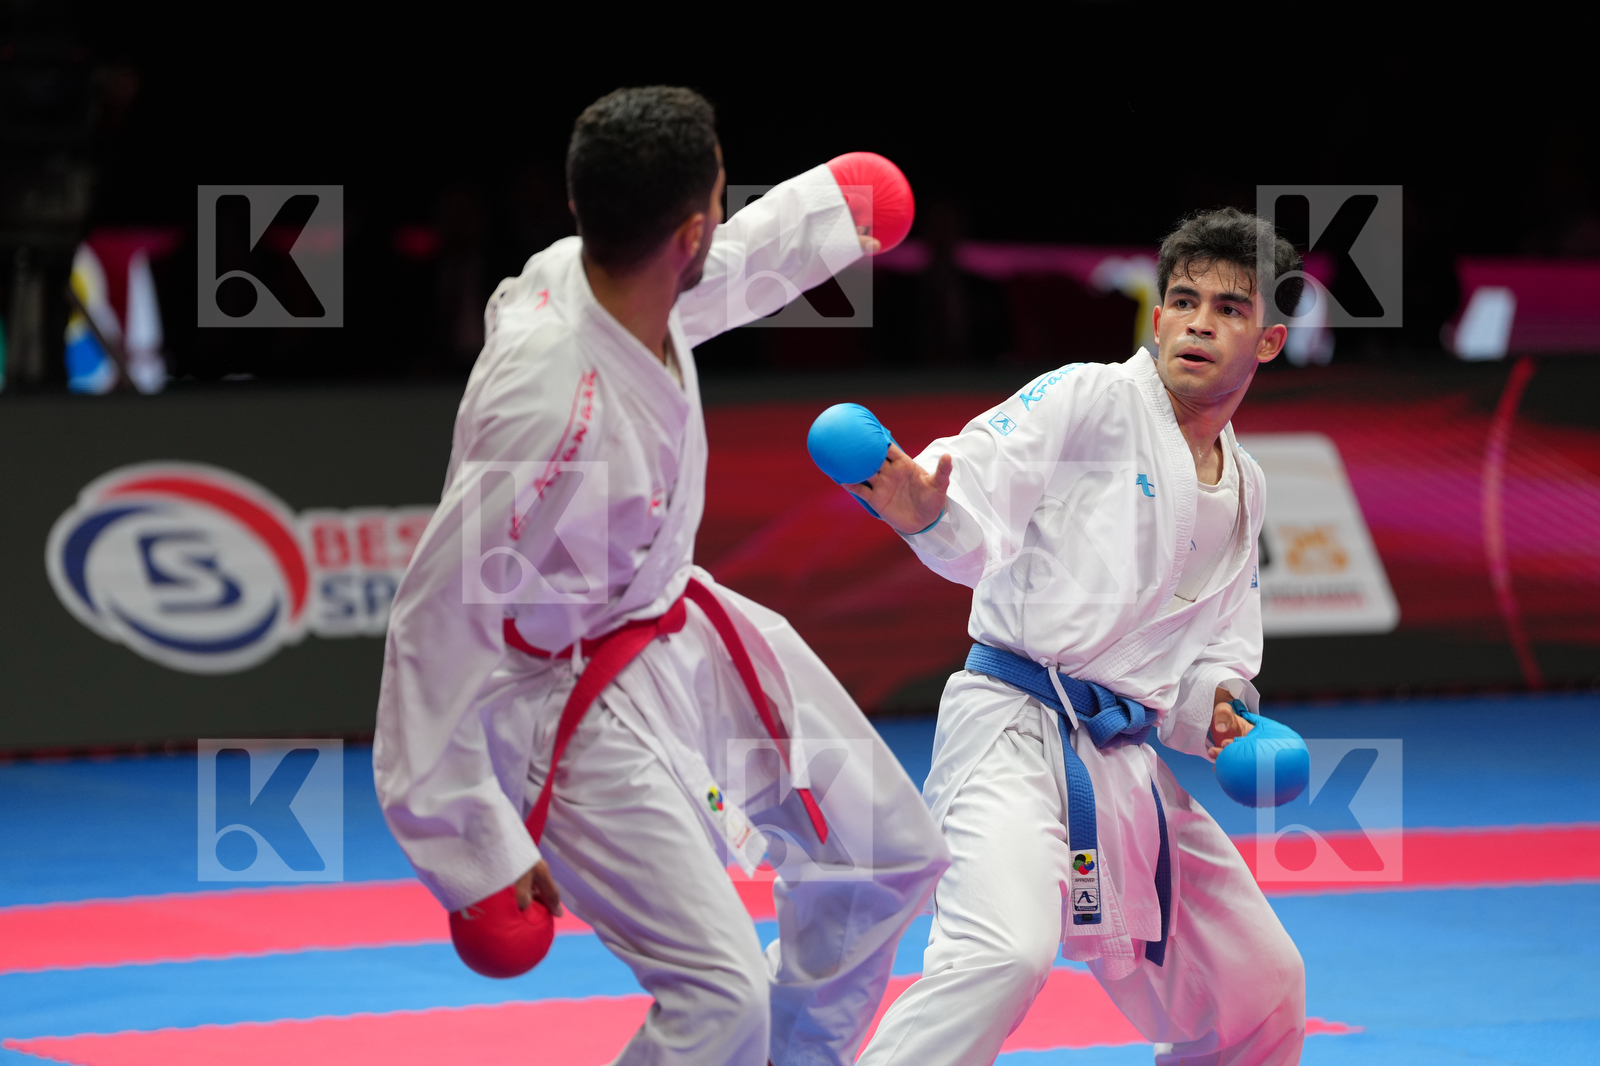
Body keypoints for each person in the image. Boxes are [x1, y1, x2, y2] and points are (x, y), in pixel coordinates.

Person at [373, 87, 949, 1066]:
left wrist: (831, 214)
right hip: (566, 698)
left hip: (673, 624)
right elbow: (436, 623)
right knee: (719, 1002)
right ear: (691, 225)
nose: (718, 225)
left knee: (889, 852)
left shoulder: (611, 277)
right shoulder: (546, 401)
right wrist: (472, 850)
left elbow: (729, 272)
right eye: (720, 199)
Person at [852, 208, 1307, 1065]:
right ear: (1157, 313)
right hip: (1011, 732)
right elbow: (978, 477)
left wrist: (1218, 711)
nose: (1199, 323)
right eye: (1182, 300)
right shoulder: (1089, 398)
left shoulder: (1244, 487)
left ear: (1270, 341)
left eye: (1229, 309)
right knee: (1001, 956)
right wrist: (929, 513)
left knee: (1264, 985)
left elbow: (1213, 650)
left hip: (1121, 760)